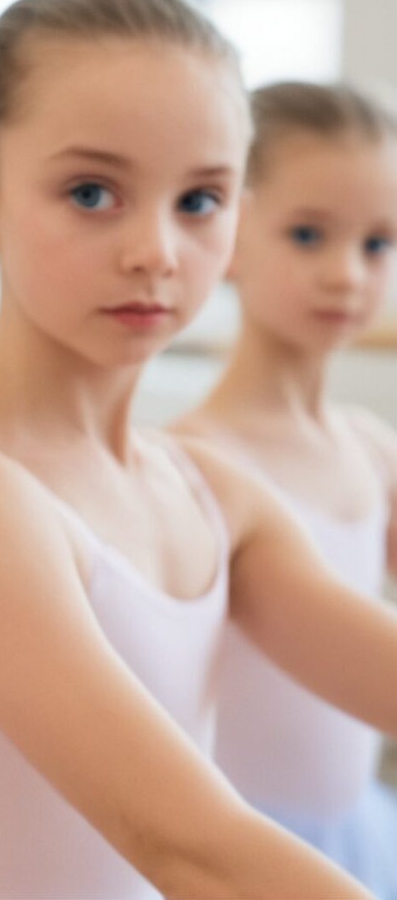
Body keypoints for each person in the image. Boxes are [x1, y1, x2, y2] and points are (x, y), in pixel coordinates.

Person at [0, 0, 397, 898]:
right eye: (93, 191)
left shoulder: (207, 491)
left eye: (199, 201)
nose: (155, 249)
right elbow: (190, 845)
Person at [175, 80, 397, 898]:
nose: (348, 273)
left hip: (362, 833)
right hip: (241, 845)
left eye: (379, 244)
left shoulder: (373, 452)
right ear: (230, 229)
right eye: (309, 235)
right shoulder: (193, 463)